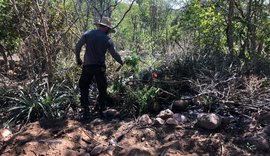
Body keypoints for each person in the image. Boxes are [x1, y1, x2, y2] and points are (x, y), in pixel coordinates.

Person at [75, 16, 124, 120]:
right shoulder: (107, 39)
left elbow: (78, 46)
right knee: (102, 88)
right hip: (99, 68)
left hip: (87, 66)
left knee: (84, 87)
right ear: (106, 28)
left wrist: (78, 59)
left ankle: (86, 111)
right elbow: (114, 54)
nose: (108, 32)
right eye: (109, 30)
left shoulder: (88, 34)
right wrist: (123, 62)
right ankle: (101, 109)